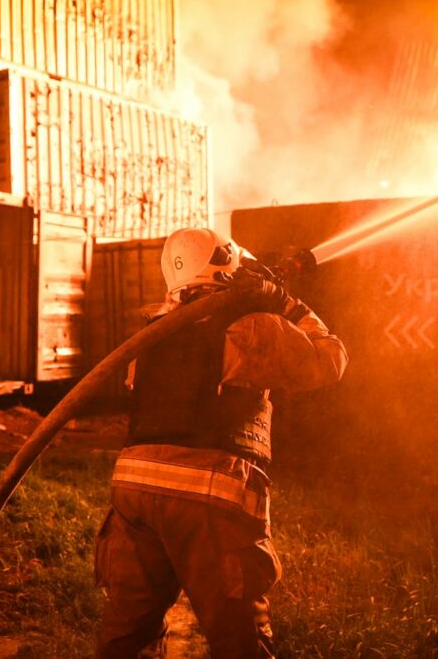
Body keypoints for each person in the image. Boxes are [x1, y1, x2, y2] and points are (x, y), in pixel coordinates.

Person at [95, 227, 348, 658]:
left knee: (128, 631)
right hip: (210, 495)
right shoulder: (251, 329)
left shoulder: (150, 336)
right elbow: (330, 359)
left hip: (134, 493)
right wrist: (286, 304)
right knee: (239, 637)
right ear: (228, 269)